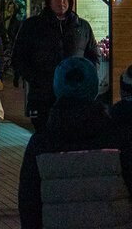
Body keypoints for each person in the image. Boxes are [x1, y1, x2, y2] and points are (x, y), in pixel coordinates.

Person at [18, 57, 132, 228]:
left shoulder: (41, 143)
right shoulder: (118, 136)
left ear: (57, 87)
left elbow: (29, 204)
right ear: (94, 88)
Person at [11, 0, 100, 132]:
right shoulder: (33, 26)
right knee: (46, 140)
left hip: (76, 99)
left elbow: (93, 55)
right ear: (49, 0)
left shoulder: (82, 27)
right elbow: (19, 57)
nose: (61, 1)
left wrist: (86, 78)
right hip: (43, 98)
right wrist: (36, 79)